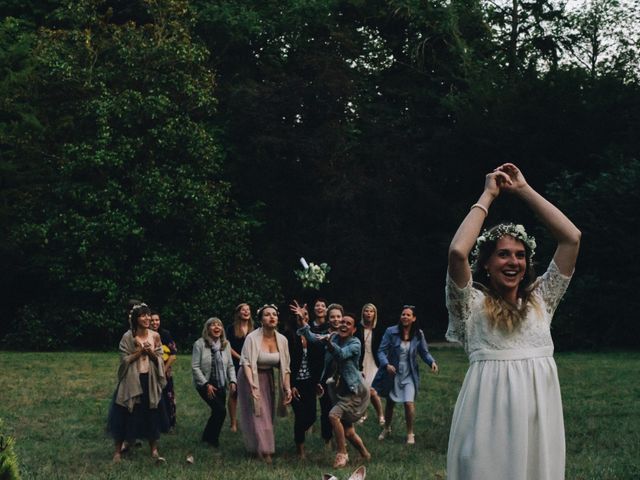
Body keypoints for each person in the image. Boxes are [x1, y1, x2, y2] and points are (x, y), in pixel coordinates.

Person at [445, 163, 581, 479]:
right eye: (504, 254)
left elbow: (571, 238)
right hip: (487, 418)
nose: (514, 262)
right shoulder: (470, 304)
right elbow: (457, 252)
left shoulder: (541, 300)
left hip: (538, 420)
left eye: (520, 255)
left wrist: (523, 190)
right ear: (488, 263)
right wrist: (488, 195)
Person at [295, 306, 371, 469]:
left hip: (354, 390)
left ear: (354, 329)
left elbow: (341, 355)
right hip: (339, 389)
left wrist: (329, 344)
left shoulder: (355, 343)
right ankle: (365, 454)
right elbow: (313, 338)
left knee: (333, 415)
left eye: (348, 323)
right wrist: (303, 322)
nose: (343, 325)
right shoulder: (334, 337)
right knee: (348, 431)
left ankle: (342, 453)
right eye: (342, 322)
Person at [107, 303, 168, 463]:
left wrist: (151, 353)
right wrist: (139, 352)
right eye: (143, 315)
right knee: (125, 413)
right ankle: (118, 451)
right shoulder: (127, 337)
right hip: (131, 381)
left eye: (148, 315)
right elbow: (123, 361)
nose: (147, 318)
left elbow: (160, 359)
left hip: (149, 379)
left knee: (152, 413)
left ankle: (154, 449)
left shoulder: (155, 336)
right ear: (135, 319)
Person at [373, 305, 438, 444]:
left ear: (414, 318)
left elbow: (424, 352)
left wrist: (431, 362)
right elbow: (381, 351)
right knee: (390, 403)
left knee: (409, 403)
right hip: (393, 373)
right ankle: (386, 428)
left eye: (408, 315)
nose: (405, 317)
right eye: (403, 314)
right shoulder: (391, 331)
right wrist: (386, 365)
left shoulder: (418, 334)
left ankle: (410, 433)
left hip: (409, 374)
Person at [237, 304, 292, 464]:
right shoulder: (252, 338)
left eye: (274, 314)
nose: (272, 317)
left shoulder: (282, 340)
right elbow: (246, 362)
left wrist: (287, 388)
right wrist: (253, 386)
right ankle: (265, 451)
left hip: (267, 376)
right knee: (258, 413)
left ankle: (259, 446)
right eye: (267, 315)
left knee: (267, 413)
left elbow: (285, 367)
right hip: (249, 376)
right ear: (261, 320)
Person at [284, 307, 324, 458]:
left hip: (309, 382)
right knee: (300, 415)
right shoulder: (289, 336)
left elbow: (318, 359)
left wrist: (317, 382)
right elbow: (287, 363)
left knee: (312, 416)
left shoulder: (312, 335)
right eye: (299, 316)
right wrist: (291, 385)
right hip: (295, 383)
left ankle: (299, 434)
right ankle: (300, 448)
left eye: (305, 314)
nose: (303, 317)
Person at [192, 317, 237, 448]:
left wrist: (233, 380)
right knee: (221, 411)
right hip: (205, 385)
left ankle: (207, 437)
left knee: (217, 412)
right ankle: (213, 441)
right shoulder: (199, 344)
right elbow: (195, 367)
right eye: (213, 325)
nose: (217, 327)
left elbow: (230, 365)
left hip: (221, 384)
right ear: (207, 329)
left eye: (219, 325)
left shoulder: (226, 344)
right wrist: (206, 384)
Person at [226, 303, 254, 432]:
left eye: (248, 309)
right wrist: (240, 358)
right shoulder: (231, 329)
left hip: (251, 364)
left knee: (250, 393)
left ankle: (249, 422)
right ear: (238, 313)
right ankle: (233, 423)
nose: (246, 311)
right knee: (234, 392)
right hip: (235, 363)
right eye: (243, 310)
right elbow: (228, 347)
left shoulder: (255, 328)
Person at [150, 310, 177, 429]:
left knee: (168, 395)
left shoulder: (165, 334)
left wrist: (165, 369)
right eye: (152, 320)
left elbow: (173, 354)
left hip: (165, 370)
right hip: (150, 370)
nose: (155, 322)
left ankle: (170, 422)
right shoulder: (145, 334)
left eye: (157, 320)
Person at [358, 303, 385, 426]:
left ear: (375, 314)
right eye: (366, 311)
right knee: (363, 391)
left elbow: (383, 348)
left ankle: (380, 415)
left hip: (374, 362)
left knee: (373, 391)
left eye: (371, 311)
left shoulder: (378, 329)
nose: (369, 313)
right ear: (363, 313)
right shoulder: (358, 328)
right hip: (361, 362)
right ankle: (363, 414)